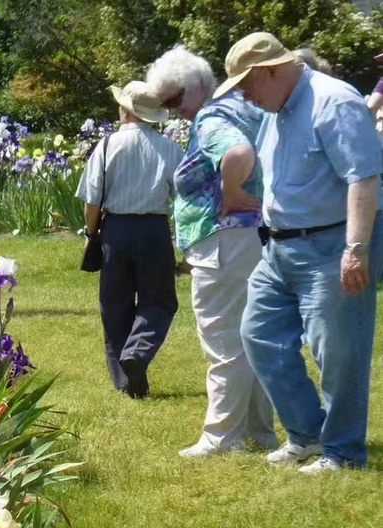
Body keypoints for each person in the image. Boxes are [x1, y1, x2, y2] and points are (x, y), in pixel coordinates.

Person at [217, 33, 382, 473]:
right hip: (279, 248)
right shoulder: (276, 111)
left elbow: (364, 178)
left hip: (333, 245)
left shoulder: (334, 101)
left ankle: (344, 452)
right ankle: (309, 435)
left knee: (339, 354)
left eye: (246, 86)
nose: (245, 96)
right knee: (258, 335)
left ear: (270, 71)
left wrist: (356, 249)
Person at [147, 46, 277, 457]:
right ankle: (260, 432)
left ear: (201, 85)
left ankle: (222, 436)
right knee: (251, 336)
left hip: (222, 241)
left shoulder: (213, 116)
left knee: (222, 340)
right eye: (164, 103)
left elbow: (237, 153)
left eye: (175, 98)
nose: (172, 110)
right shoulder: (246, 107)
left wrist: (233, 192)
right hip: (248, 239)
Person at [77, 81, 184, 398]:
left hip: (115, 230)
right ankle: (137, 354)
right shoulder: (169, 148)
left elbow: (92, 202)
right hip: (154, 230)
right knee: (159, 301)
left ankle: (127, 380)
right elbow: (183, 197)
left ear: (125, 110)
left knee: (115, 306)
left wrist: (92, 233)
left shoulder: (107, 145)